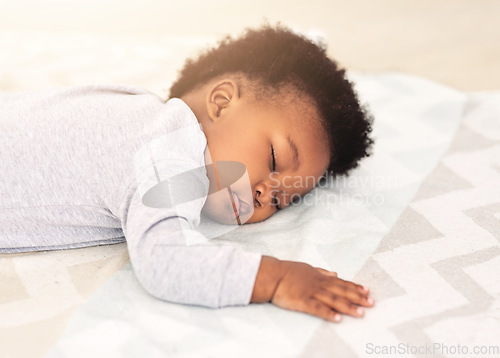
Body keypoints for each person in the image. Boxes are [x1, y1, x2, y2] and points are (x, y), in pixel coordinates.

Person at [0, 24, 374, 323]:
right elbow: (166, 260)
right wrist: (276, 278)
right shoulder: (169, 150)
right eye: (275, 160)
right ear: (222, 101)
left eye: (280, 200)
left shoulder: (141, 113)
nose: (263, 193)